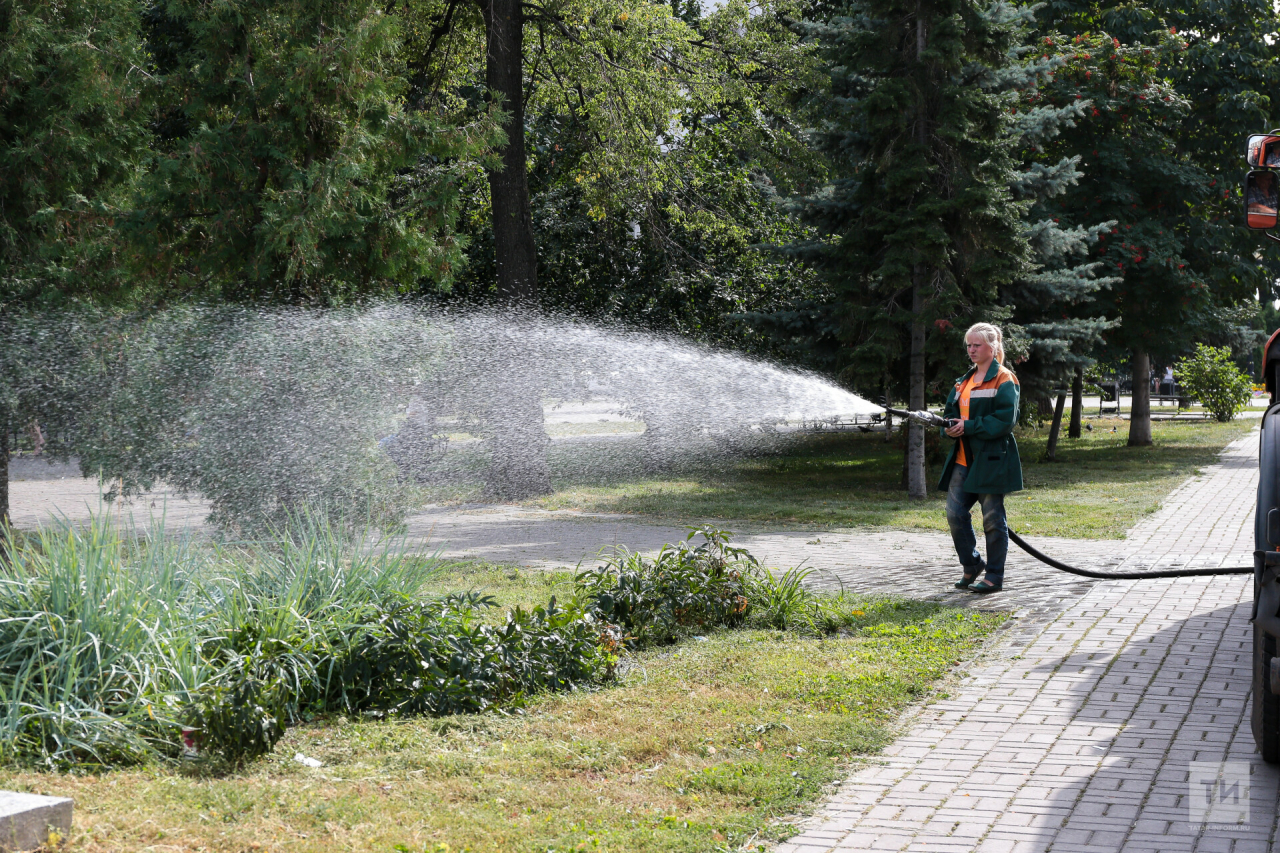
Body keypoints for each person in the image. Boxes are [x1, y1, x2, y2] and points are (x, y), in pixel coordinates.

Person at [938, 323, 1023, 594]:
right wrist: (948, 428)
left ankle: (994, 576)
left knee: (993, 520)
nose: (971, 350)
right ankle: (972, 565)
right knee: (954, 514)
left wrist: (969, 426)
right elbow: (950, 413)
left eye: (977, 345)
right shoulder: (963, 381)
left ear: (992, 347)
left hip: (991, 461)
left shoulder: (1004, 379)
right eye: (969, 345)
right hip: (964, 460)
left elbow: (1004, 421)